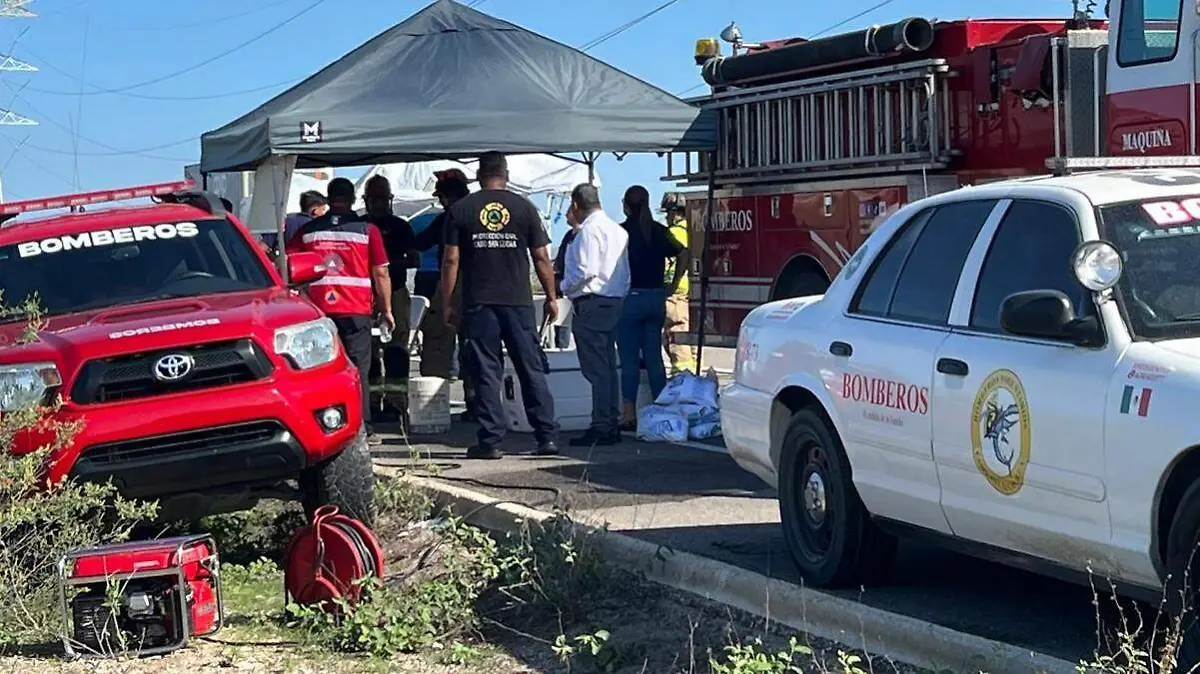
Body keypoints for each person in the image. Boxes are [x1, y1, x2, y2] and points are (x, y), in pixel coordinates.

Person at [441, 151, 559, 460]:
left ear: (479, 175)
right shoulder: (525, 207)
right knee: (529, 366)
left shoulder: (462, 209)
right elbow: (542, 257)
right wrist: (551, 296)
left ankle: (491, 440)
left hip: (479, 301)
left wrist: (448, 301)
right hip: (518, 301)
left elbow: (451, 259)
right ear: (506, 175)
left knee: (486, 371)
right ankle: (546, 435)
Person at [286, 177, 394, 445]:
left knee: (322, 370)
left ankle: (325, 425)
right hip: (356, 309)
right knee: (358, 369)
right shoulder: (368, 230)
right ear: (354, 199)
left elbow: (287, 263)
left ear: (328, 197)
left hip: (319, 310)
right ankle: (362, 427)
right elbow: (380, 273)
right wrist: (387, 309)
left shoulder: (309, 231)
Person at [561, 183, 630, 447]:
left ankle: (602, 423)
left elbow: (585, 271)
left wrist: (564, 287)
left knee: (597, 368)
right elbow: (624, 274)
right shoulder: (617, 230)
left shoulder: (588, 232)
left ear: (576, 204)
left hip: (591, 301)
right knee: (609, 367)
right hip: (613, 300)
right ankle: (610, 420)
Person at [616, 186, 685, 429]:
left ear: (625, 205)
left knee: (629, 361)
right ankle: (660, 409)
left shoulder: (621, 233)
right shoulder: (657, 231)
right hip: (656, 297)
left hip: (631, 298)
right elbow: (683, 254)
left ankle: (628, 414)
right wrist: (673, 284)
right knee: (655, 358)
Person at [413, 170, 479, 419]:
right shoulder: (481, 212)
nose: (440, 202)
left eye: (441, 197)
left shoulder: (450, 216)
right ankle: (477, 402)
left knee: (439, 341)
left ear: (449, 197)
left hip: (454, 283)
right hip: (483, 283)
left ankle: (433, 402)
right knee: (476, 344)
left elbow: (424, 242)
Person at [363, 175, 419, 425]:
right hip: (366, 294)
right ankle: (372, 403)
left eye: (382, 199)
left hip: (395, 291)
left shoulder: (401, 226)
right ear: (365, 200)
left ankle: (396, 404)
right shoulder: (360, 225)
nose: (378, 204)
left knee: (397, 349)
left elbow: (414, 258)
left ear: (390, 200)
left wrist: (386, 266)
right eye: (373, 199)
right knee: (369, 352)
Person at [661, 192, 694, 375]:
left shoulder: (673, 233)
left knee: (676, 340)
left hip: (675, 295)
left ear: (675, 213)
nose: (666, 217)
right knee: (692, 346)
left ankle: (681, 381)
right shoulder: (693, 231)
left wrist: (670, 286)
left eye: (667, 213)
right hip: (691, 295)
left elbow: (676, 260)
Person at [551, 213, 582, 349]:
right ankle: (561, 346)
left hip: (576, 290)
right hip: (565, 290)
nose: (566, 214)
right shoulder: (569, 236)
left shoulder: (582, 236)